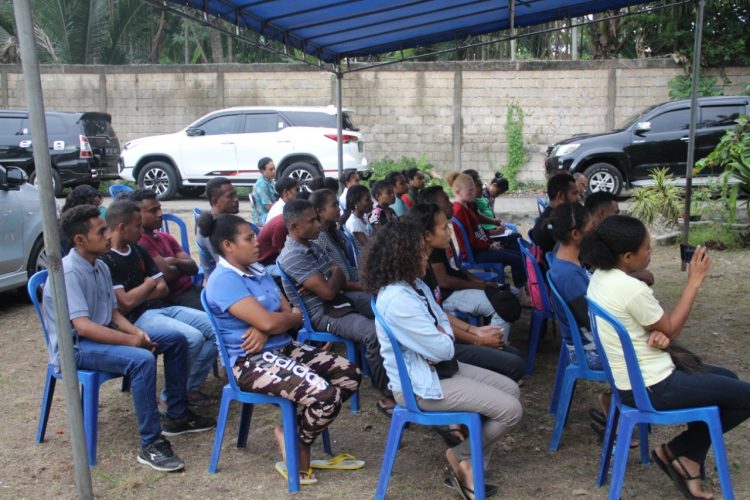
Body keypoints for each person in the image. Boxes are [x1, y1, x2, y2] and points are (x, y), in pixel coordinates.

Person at [583, 215, 750, 500]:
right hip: (653, 386)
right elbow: (670, 328)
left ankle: (688, 455)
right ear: (627, 256)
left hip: (633, 381)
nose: (651, 252)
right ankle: (677, 452)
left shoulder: (600, 277)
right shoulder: (631, 289)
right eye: (647, 248)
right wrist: (694, 282)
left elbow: (653, 329)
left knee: (728, 379)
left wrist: (659, 335)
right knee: (745, 396)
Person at [44, 206, 214, 472]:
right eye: (101, 232)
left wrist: (137, 333)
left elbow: (113, 314)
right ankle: (151, 443)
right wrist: (132, 342)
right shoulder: (69, 273)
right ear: (80, 240)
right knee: (142, 360)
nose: (108, 235)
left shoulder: (99, 265)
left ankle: (177, 413)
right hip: (75, 347)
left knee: (176, 339)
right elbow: (84, 327)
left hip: (100, 337)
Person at [362, 222, 522, 498]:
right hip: (418, 385)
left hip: (437, 371)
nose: (426, 258)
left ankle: (469, 463)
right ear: (401, 256)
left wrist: (440, 332)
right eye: (420, 253)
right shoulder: (398, 299)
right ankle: (462, 457)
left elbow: (441, 323)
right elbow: (443, 349)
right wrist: (441, 336)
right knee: (511, 411)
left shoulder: (414, 286)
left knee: (511, 389)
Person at [202, 212, 362, 485]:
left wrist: (267, 326)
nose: (257, 242)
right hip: (249, 362)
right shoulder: (224, 280)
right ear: (228, 246)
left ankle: (295, 435)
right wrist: (269, 322)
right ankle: (299, 446)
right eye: (249, 238)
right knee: (325, 396)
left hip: (284, 348)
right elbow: (275, 317)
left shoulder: (257, 270)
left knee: (349, 374)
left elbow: (293, 313)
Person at [277, 199, 397, 415]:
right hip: (322, 313)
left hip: (338, 300)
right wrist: (331, 277)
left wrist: (331, 276)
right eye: (311, 221)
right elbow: (328, 292)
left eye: (316, 218)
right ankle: (387, 394)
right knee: (373, 333)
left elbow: (337, 274)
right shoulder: (293, 255)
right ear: (294, 227)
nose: (317, 224)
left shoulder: (310, 244)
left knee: (388, 307)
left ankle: (407, 373)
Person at [100, 199, 218, 409]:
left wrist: (138, 294)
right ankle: (172, 397)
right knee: (192, 337)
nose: (141, 231)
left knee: (216, 327)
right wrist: (148, 284)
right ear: (121, 227)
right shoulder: (107, 259)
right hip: (136, 319)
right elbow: (124, 303)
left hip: (162, 307)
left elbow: (162, 288)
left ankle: (186, 387)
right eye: (137, 226)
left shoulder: (139, 250)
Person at [402, 203, 525, 381]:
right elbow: (433, 327)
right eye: (444, 228)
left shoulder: (426, 265)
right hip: (440, 351)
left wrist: (475, 331)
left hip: (447, 337)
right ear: (427, 235)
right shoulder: (414, 276)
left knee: (514, 355)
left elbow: (438, 312)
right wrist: (477, 339)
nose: (449, 232)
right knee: (514, 364)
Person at [447, 172, 527, 293]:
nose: (474, 192)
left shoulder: (468, 206)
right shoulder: (460, 211)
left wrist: (491, 242)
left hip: (482, 247)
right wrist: (490, 246)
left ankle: (520, 286)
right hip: (476, 254)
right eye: (470, 190)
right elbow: (472, 239)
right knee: (517, 258)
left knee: (516, 250)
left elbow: (479, 231)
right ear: (458, 191)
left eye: (474, 189)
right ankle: (521, 292)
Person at [129, 189, 203, 310]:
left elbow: (193, 267)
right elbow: (167, 275)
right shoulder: (141, 242)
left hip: (191, 289)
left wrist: (174, 261)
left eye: (159, 208)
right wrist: (181, 268)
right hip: (174, 299)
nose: (160, 214)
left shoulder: (165, 236)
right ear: (137, 214)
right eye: (153, 211)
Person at [310, 189, 361, 289]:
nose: (339, 209)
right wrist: (362, 286)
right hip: (346, 288)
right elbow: (337, 279)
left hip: (353, 280)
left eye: (338, 205)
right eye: (334, 206)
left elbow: (347, 268)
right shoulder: (319, 238)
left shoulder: (330, 232)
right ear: (319, 211)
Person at [196, 177, 240, 278]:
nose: (236, 199)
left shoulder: (225, 221)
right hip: (225, 279)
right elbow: (228, 263)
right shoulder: (210, 228)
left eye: (235, 194)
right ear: (215, 201)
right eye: (230, 196)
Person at [531, 172, 580, 256]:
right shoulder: (560, 223)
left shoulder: (548, 216)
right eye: (574, 193)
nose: (578, 198)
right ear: (560, 196)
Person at [342, 184, 374, 249]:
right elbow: (369, 247)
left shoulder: (363, 217)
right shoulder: (354, 223)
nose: (372, 202)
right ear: (355, 203)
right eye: (367, 200)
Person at [251, 157, 278, 225]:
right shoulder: (261, 185)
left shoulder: (271, 181)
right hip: (263, 216)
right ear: (262, 171)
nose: (274, 171)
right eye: (271, 169)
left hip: (270, 212)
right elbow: (268, 206)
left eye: (274, 168)